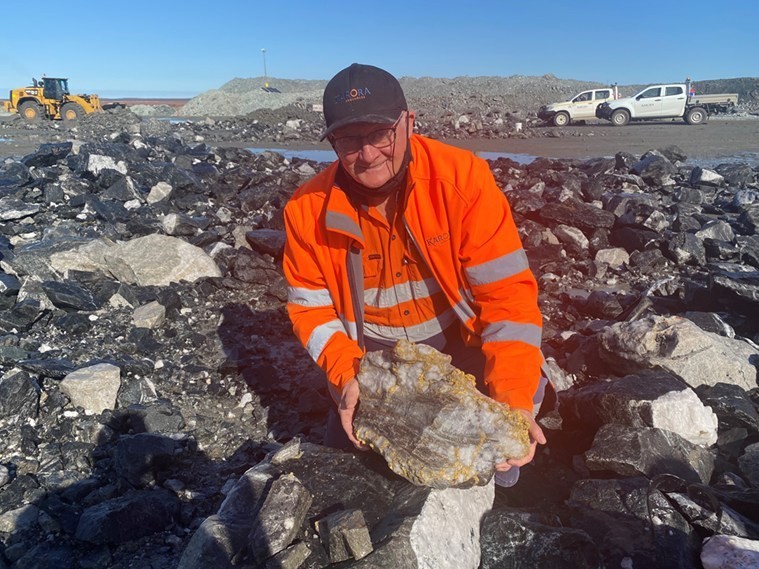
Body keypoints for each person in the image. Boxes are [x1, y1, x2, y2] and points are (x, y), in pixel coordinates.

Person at [283, 63, 547, 485]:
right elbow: (311, 312)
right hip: (372, 357)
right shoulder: (305, 210)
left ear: (408, 123)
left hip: (459, 339)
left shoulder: (463, 180)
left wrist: (513, 399)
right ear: (332, 141)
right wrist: (347, 376)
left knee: (502, 471)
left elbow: (508, 299)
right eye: (348, 140)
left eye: (379, 134)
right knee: (352, 465)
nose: (366, 155)